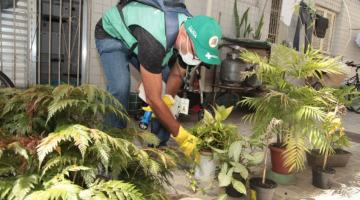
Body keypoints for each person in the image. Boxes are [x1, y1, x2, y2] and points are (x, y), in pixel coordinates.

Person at [94, 0, 222, 158]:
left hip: (140, 38)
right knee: (120, 87)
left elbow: (176, 74)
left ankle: (157, 146)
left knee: (165, 81)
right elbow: (153, 99)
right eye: (196, 54)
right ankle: (111, 148)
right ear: (183, 35)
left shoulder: (190, 34)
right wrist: (181, 136)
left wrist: (167, 98)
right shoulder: (155, 39)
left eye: (200, 58)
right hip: (112, 35)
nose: (196, 60)